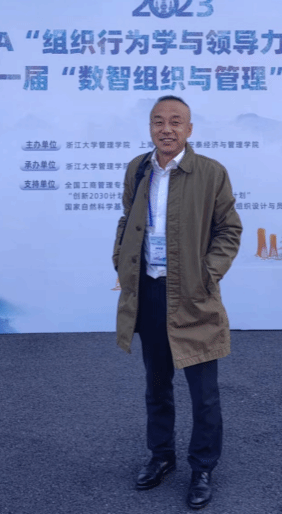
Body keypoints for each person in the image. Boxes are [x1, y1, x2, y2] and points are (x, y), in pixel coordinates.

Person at [113, 95, 242, 510]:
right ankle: (161, 456)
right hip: (149, 291)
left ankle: (202, 467)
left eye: (175, 121)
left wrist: (207, 275)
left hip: (192, 295)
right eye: (158, 121)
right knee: (156, 384)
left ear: (189, 129)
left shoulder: (211, 172)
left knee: (203, 393)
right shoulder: (138, 168)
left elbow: (229, 230)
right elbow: (127, 220)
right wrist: (121, 260)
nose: (166, 129)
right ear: (150, 127)